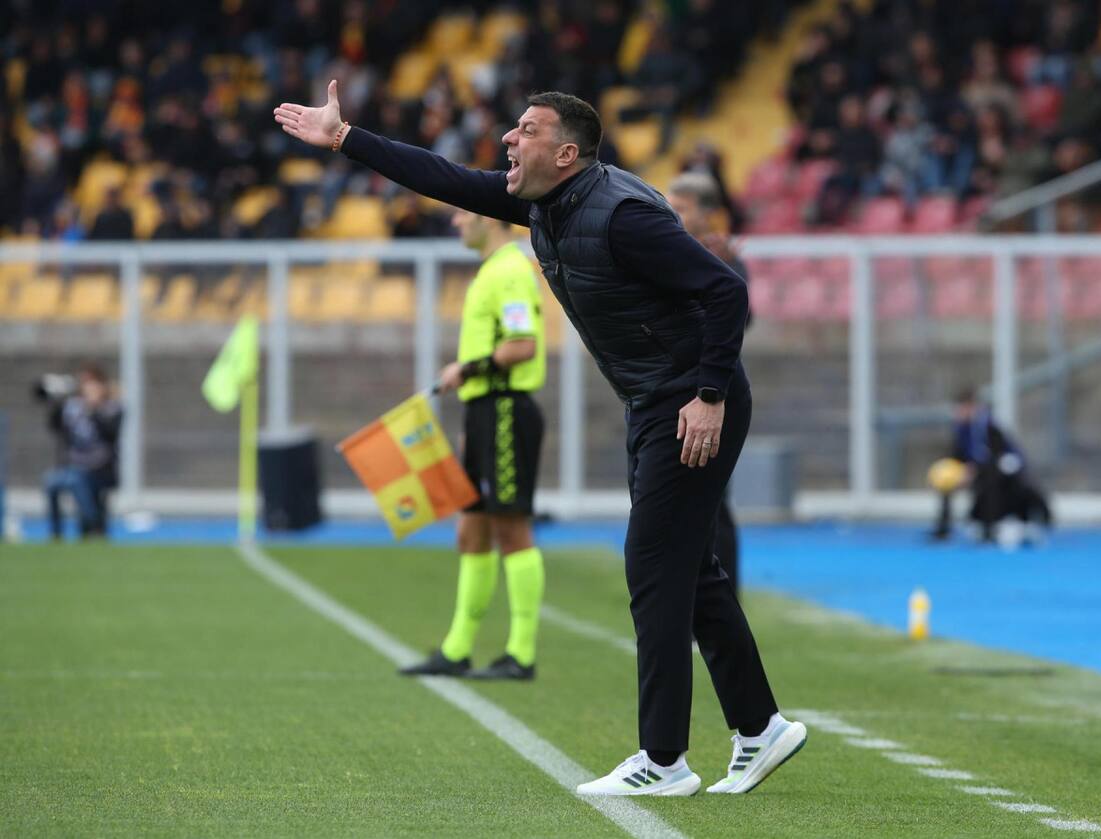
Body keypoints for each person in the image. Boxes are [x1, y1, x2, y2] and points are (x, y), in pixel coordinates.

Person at [275, 84, 806, 796]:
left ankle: (665, 759)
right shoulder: (542, 201)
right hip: (655, 400)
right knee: (690, 572)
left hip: (689, 401)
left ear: (566, 152)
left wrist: (708, 394)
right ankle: (759, 726)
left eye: (525, 131)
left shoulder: (621, 215)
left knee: (654, 570)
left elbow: (727, 292)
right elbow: (444, 176)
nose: (507, 141)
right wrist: (346, 139)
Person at [400, 209, 548, 682]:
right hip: (486, 411)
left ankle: (521, 654)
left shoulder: (508, 271)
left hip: (504, 408)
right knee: (471, 530)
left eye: (463, 213)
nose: (456, 222)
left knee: (510, 527)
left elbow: (522, 345)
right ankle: (457, 648)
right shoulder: (495, 271)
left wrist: (465, 371)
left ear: (489, 217)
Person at [666, 171, 747, 597]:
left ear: (707, 213)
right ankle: (691, 594)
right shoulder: (665, 249)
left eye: (680, 208)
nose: (671, 215)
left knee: (714, 502)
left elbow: (740, 315)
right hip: (673, 385)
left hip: (713, 388)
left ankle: (723, 596)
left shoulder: (724, 258)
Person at [931, 389, 1052, 543]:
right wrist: (955, 471)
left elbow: (997, 456)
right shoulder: (960, 429)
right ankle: (943, 528)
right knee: (945, 478)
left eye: (962, 408)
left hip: (1002, 471)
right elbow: (956, 457)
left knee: (991, 478)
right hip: (977, 471)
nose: (959, 413)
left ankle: (991, 526)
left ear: (971, 407)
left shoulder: (988, 426)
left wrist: (974, 470)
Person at [41, 364, 122, 539]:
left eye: (92, 383)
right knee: (50, 482)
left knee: (79, 481)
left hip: (100, 469)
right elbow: (54, 427)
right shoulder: (72, 407)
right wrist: (56, 403)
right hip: (73, 467)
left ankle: (93, 529)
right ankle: (56, 534)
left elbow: (111, 434)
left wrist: (93, 409)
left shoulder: (112, 408)